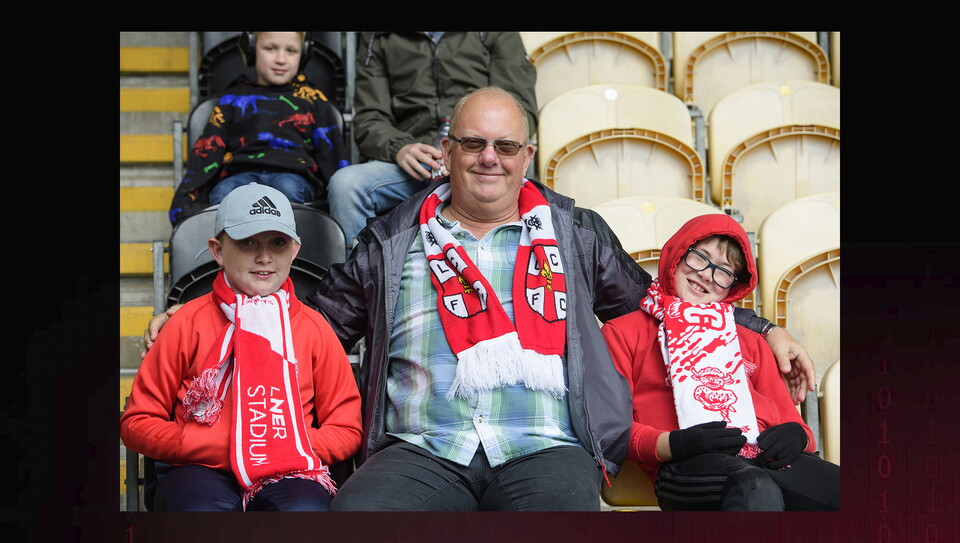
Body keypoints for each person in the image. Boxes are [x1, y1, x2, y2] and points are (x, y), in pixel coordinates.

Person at [144, 87, 815, 510]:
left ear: (527, 155)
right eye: (472, 143)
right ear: (448, 149)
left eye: (503, 146)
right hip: (418, 449)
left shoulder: (574, 231)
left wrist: (763, 327)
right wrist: (201, 315)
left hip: (547, 446)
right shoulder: (391, 236)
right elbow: (307, 324)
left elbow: (655, 303)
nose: (488, 158)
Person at [122, 183, 362, 511]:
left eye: (278, 243)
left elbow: (346, 427)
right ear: (217, 250)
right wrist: (203, 443)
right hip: (200, 467)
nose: (264, 257)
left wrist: (288, 446)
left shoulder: (314, 328)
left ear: (294, 250)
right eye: (247, 242)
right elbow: (137, 422)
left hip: (292, 468)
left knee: (305, 512)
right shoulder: (185, 323)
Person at [600, 213, 839, 511]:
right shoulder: (623, 332)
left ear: (732, 286)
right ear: (677, 254)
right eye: (700, 257)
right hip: (684, 465)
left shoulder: (750, 340)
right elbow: (611, 429)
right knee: (755, 490)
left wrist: (796, 438)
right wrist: (675, 444)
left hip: (761, 457)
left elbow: (795, 424)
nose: (706, 274)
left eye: (723, 271)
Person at [325, 32, 538, 248]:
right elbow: (369, 117)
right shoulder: (379, 35)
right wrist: (400, 148)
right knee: (346, 185)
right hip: (412, 163)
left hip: (478, 155)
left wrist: (470, 149)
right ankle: (361, 274)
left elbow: (521, 111)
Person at [169, 31, 350, 225]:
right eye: (270, 49)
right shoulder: (233, 99)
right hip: (239, 175)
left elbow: (333, 158)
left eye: (291, 51)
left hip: (293, 176)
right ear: (251, 49)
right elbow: (207, 153)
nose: (281, 59)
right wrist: (186, 198)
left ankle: (287, 253)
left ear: (304, 54)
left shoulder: (313, 99)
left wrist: (340, 198)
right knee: (223, 193)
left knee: (287, 189)